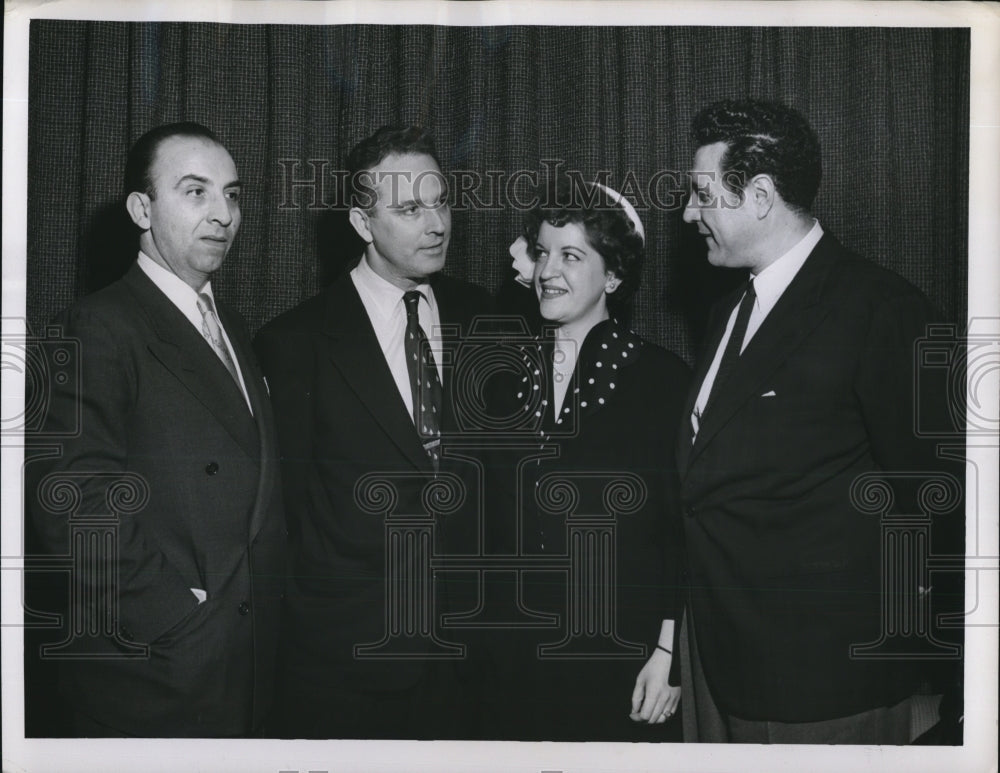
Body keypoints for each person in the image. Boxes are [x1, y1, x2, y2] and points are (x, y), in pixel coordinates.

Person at [677, 99, 960, 743]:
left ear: (759, 196)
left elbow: (938, 502)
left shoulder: (881, 309)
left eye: (701, 195)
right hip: (718, 657)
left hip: (823, 678)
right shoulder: (728, 312)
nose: (690, 214)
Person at [25, 122, 287, 737]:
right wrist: (173, 616)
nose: (222, 213)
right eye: (195, 192)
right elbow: (72, 502)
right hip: (157, 673)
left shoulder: (237, 331)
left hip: (246, 666)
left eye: (233, 194)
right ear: (142, 208)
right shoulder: (98, 324)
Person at [254, 125, 492, 739]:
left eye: (439, 201)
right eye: (410, 209)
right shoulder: (293, 343)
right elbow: (287, 513)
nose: (435, 224)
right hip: (346, 663)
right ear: (362, 223)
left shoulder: (488, 318)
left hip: (473, 658)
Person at [479, 181, 691, 741]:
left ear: (614, 277)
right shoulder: (500, 381)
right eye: (543, 252)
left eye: (572, 255)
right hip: (513, 662)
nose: (550, 269)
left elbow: (682, 531)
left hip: (624, 659)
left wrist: (670, 652)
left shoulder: (665, 382)